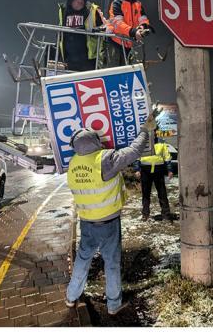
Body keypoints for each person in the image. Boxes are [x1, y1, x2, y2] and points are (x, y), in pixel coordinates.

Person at [64, 112, 156, 315]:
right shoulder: (105, 159)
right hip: (108, 223)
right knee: (111, 263)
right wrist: (145, 130)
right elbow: (134, 151)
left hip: (86, 222)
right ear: (95, 141)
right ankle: (113, 305)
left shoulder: (72, 164)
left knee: (82, 260)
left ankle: (71, 297)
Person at [105, 0, 151, 67]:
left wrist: (142, 27)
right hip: (115, 44)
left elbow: (144, 19)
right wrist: (134, 32)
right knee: (113, 73)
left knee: (126, 76)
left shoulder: (138, 4)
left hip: (129, 45)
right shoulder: (117, 3)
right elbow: (118, 24)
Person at [57, 0, 103, 71]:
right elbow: (60, 32)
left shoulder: (91, 9)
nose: (80, 2)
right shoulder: (63, 10)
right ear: (70, 0)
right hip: (69, 59)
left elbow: (104, 26)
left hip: (88, 60)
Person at [134, 133, 173, 221]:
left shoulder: (161, 143)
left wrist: (169, 170)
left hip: (158, 171)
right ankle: (145, 214)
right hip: (145, 171)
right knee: (146, 194)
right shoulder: (142, 144)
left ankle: (166, 214)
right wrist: (137, 169)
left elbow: (167, 158)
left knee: (162, 193)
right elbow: (137, 158)